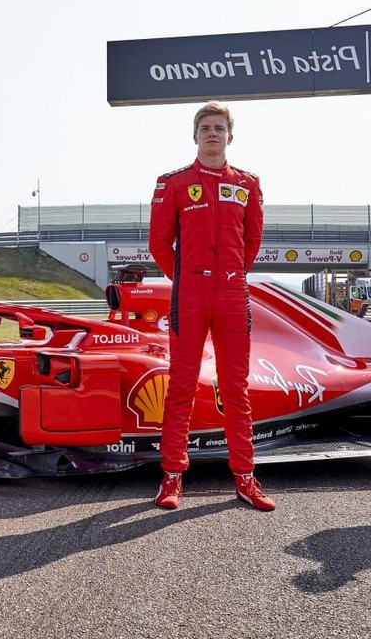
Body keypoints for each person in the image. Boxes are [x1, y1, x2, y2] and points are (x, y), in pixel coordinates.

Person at [148, 101, 275, 512]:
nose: (212, 133)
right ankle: (171, 477)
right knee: (181, 386)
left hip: (233, 295)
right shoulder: (173, 183)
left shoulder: (248, 184)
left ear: (230, 136)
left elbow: (252, 242)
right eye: (205, 127)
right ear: (195, 135)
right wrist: (187, 278)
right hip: (190, 294)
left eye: (219, 127)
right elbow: (158, 244)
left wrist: (230, 275)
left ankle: (245, 477)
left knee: (236, 389)